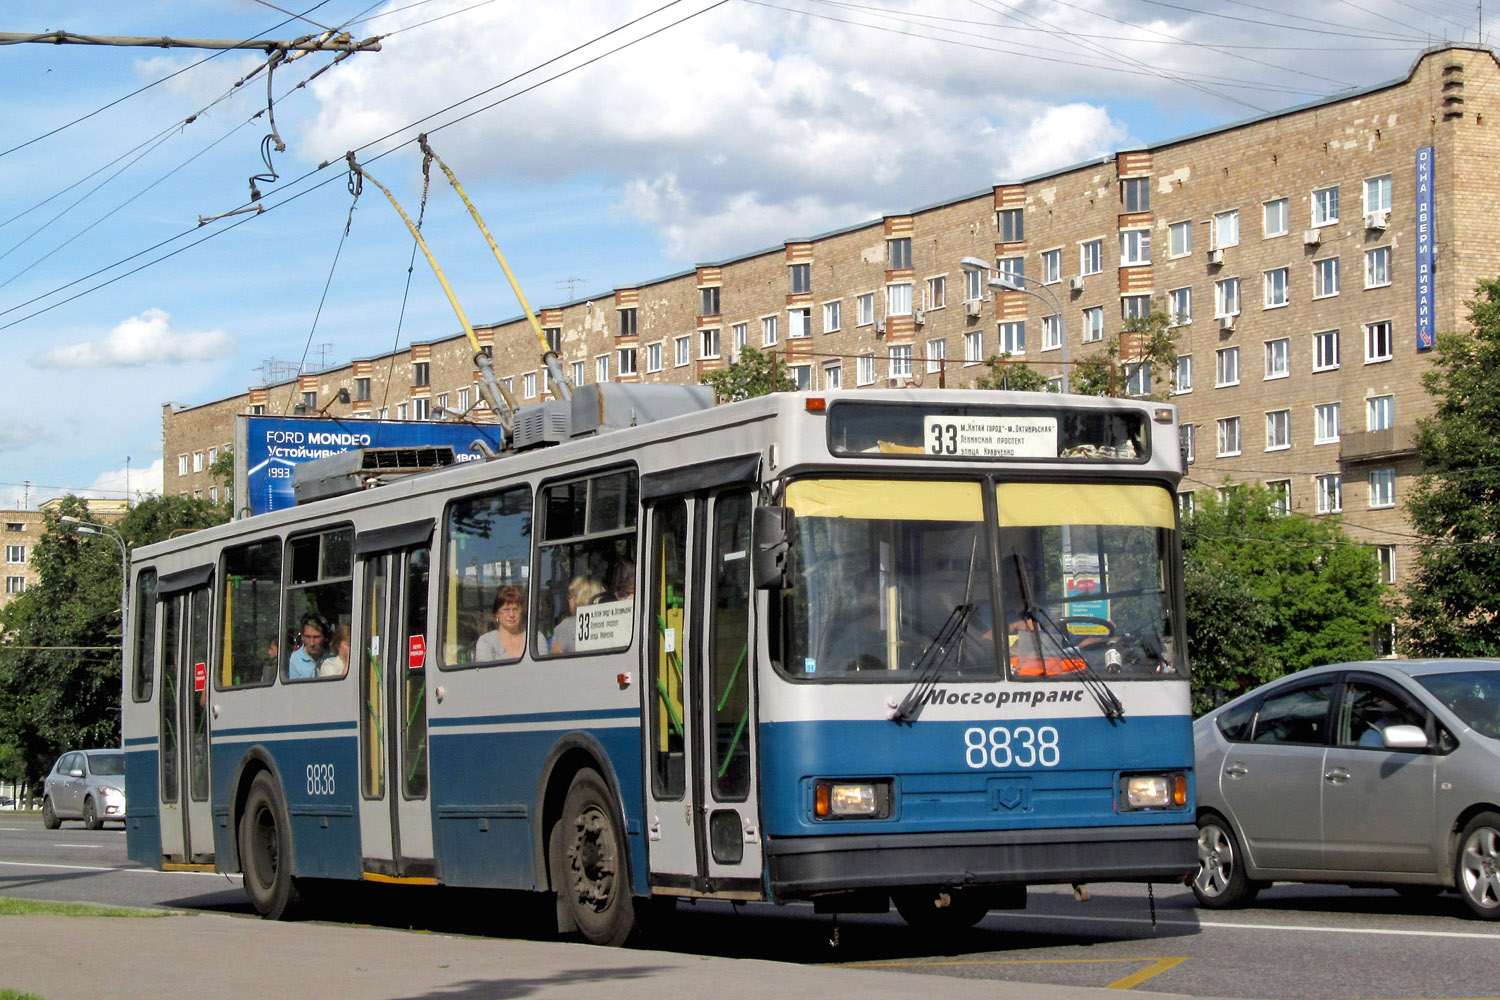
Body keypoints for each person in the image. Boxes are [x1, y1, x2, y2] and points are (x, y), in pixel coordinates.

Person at [550, 576, 605, 655]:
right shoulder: (607, 623)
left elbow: (554, 661)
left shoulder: (565, 627)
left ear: (579, 598)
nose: (568, 599)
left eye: (570, 596)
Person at [475, 585, 526, 661]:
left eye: (515, 609)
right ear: (496, 614)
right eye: (506, 610)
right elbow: (485, 672)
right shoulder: (486, 641)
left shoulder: (535, 638)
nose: (511, 615)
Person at [288, 613, 329, 679]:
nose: (312, 643)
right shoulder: (295, 659)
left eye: (316, 637)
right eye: (308, 637)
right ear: (302, 637)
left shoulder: (331, 656)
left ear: (324, 638)